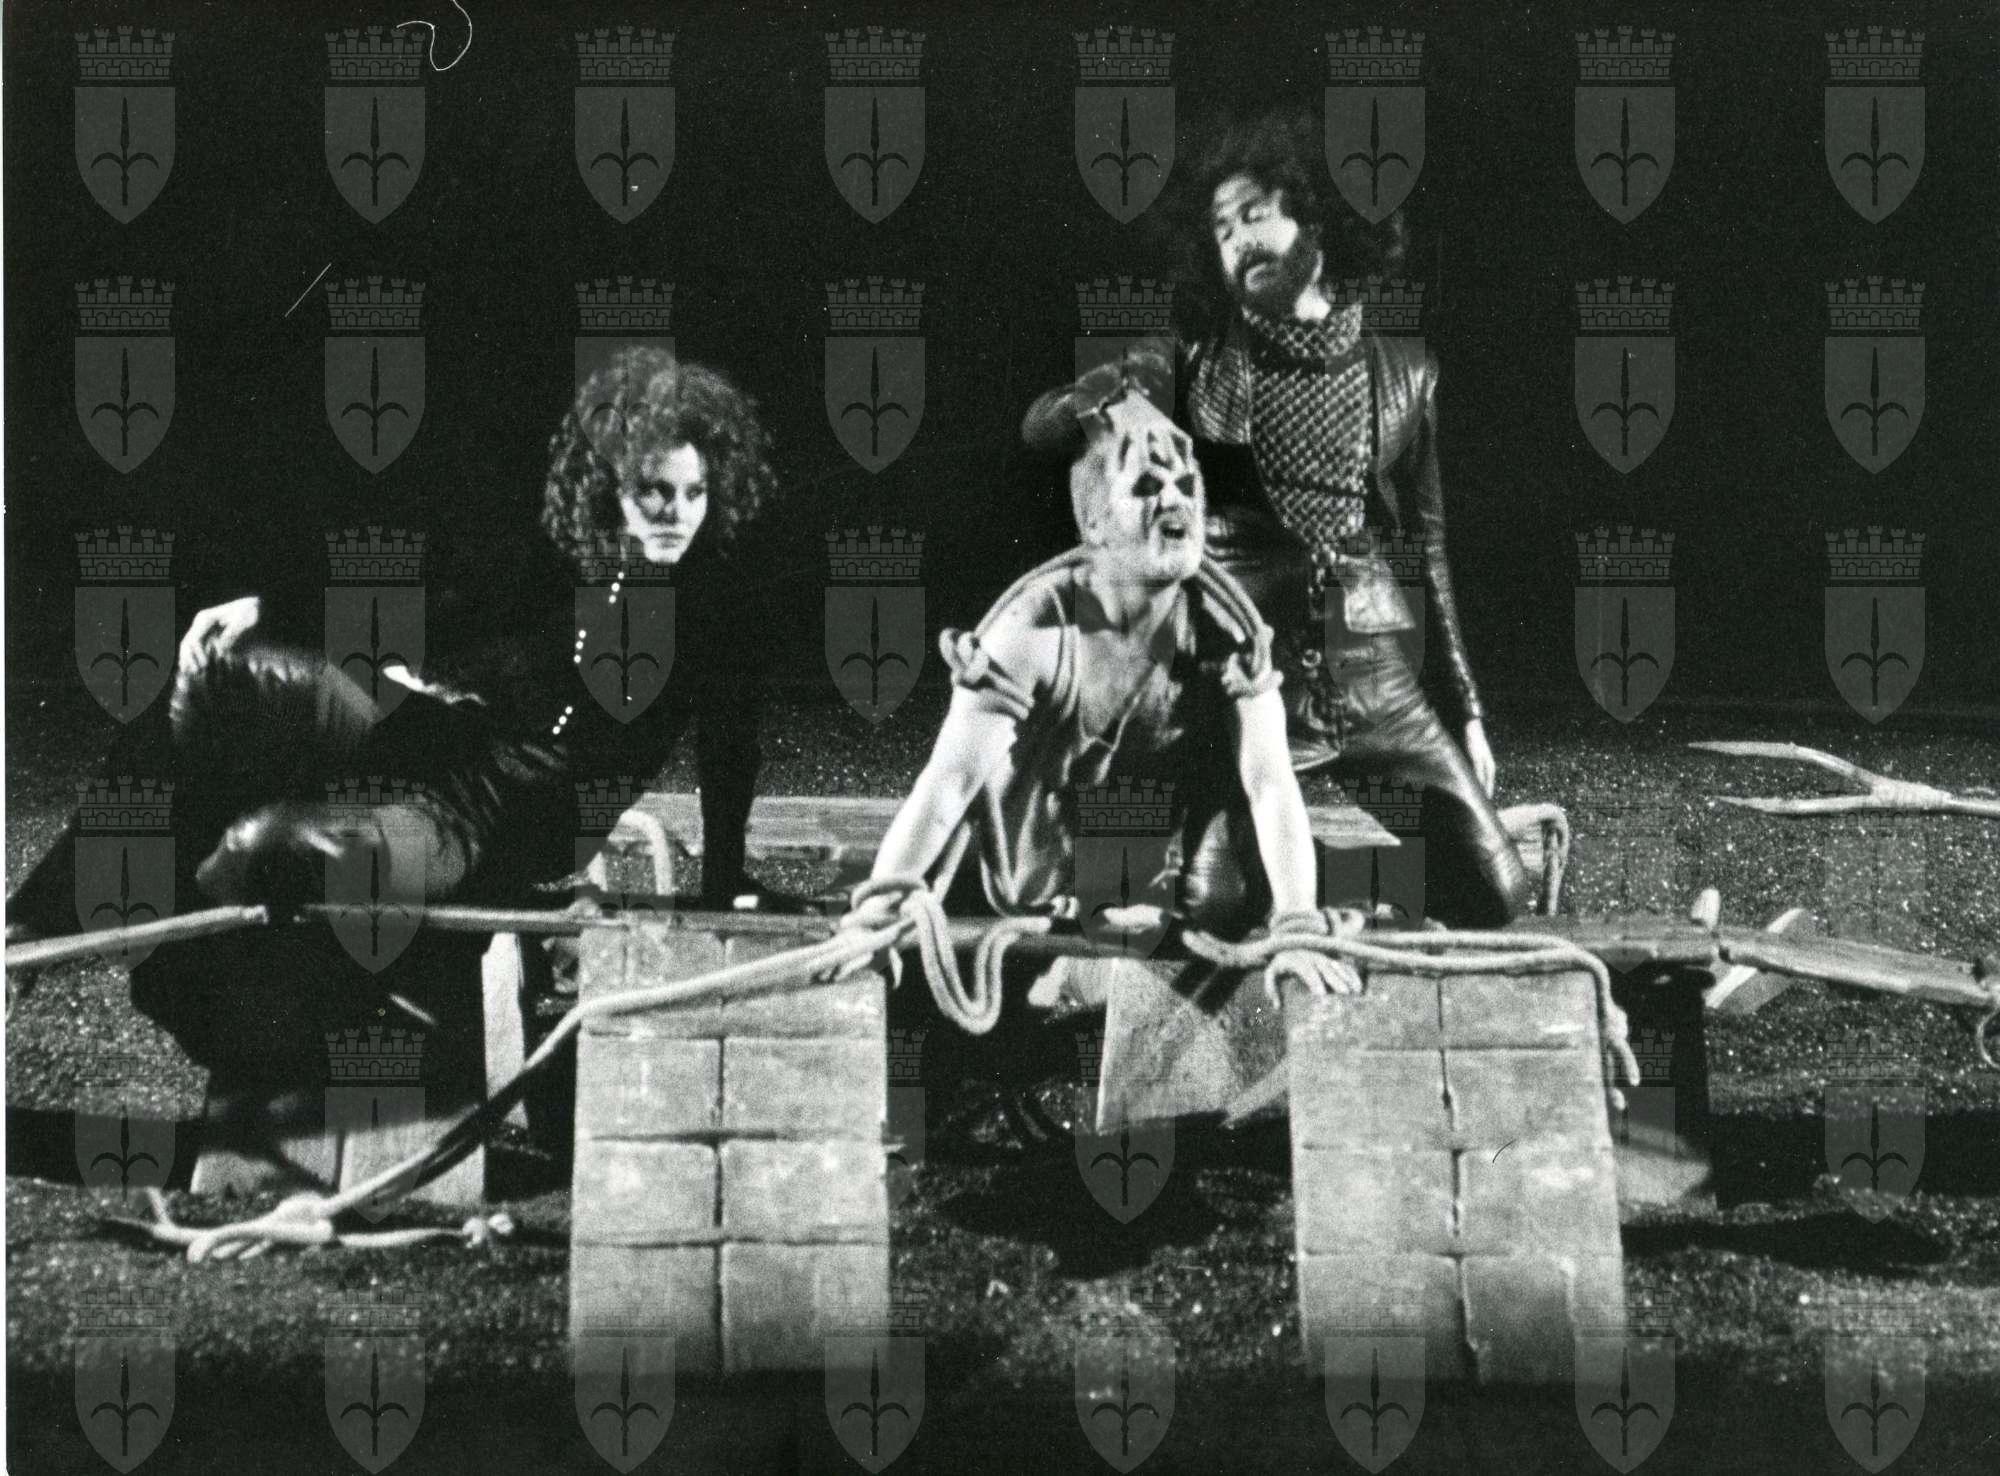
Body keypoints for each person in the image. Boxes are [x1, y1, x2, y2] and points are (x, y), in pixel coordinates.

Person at [8, 349, 783, 1074]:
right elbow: (423, 601)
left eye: (695, 493)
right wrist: (269, 607)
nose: (676, 513)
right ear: (613, 485)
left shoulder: (717, 613)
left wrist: (721, 888)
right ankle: (27, 927)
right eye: (655, 490)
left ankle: (192, 961)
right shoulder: (561, 559)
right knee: (212, 685)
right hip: (431, 738)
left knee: (268, 846)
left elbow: (729, 751)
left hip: (486, 825)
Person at [1026, 104, 1530, 926]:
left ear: (1316, 217)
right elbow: (1043, 426)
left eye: (1254, 214)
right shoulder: (1192, 356)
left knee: (1496, 891)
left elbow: (1428, 548)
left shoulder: (1407, 369)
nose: (1237, 241)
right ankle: (1258, 871)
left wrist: (1465, 709)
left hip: (1372, 675)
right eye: (1222, 229)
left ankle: (1324, 878)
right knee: (1216, 905)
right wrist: (1114, 396)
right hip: (1243, 673)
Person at [850, 384, 1353, 998]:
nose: (1174, 499)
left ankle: (1300, 885)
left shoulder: (1228, 629)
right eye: (1145, 487)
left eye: (1186, 485)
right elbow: (949, 782)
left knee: (1222, 895)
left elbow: (1269, 780)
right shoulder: (1032, 631)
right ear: (1094, 521)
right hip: (1038, 854)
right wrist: (876, 912)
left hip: (1165, 836)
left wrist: (1298, 926)